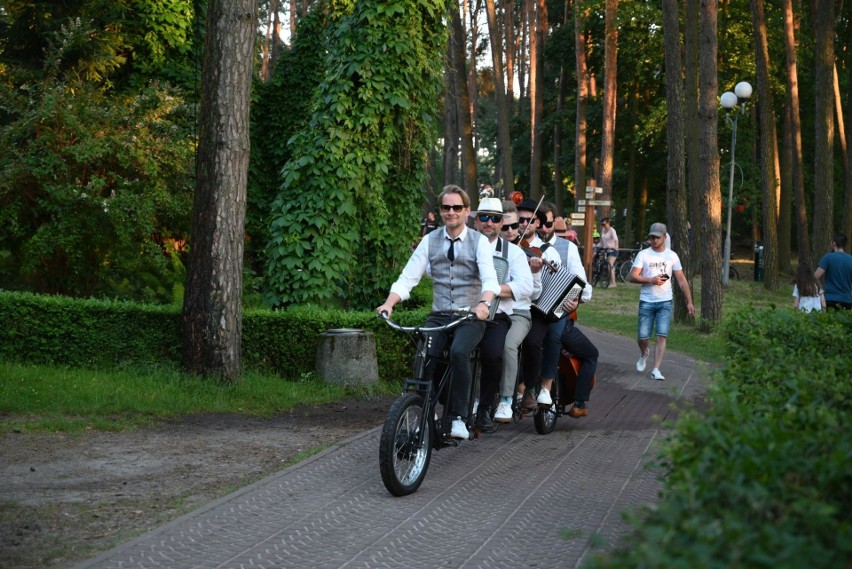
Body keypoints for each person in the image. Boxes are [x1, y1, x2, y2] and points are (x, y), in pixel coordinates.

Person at [377, 185, 500, 440]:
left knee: (458, 352)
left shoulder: (479, 242)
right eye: (446, 207)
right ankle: (425, 412)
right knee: (425, 356)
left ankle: (459, 417)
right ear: (440, 211)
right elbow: (407, 278)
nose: (451, 212)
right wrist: (389, 303)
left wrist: (483, 304)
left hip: (469, 315)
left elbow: (490, 280)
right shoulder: (429, 241)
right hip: (440, 313)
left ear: (467, 211)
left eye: (457, 207)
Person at [472, 198, 534, 431]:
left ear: (501, 223)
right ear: (476, 220)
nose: (489, 222)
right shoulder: (464, 244)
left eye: (495, 218)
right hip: (468, 312)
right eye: (484, 217)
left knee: (494, 353)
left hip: (501, 314)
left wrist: (493, 290)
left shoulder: (514, 253)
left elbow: (526, 287)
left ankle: (490, 404)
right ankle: (454, 406)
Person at [534, 202, 596, 417]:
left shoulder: (567, 247)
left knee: (590, 354)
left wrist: (575, 300)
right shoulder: (519, 244)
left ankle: (578, 402)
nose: (543, 228)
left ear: (554, 222)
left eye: (548, 223)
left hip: (559, 312)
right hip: (531, 312)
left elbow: (581, 284)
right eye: (539, 223)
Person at [629, 222, 695, 381]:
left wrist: (689, 302)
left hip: (665, 302)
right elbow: (633, 276)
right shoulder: (644, 254)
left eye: (657, 237)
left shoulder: (672, 256)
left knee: (661, 335)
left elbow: (681, 279)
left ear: (665, 238)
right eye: (651, 237)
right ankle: (644, 352)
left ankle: (656, 368)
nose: (654, 240)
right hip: (647, 301)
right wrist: (650, 280)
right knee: (642, 337)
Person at [495, 201, 539, 422]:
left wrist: (535, 271)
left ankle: (506, 400)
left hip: (519, 312)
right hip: (493, 311)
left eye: (515, 226)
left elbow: (532, 291)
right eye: (506, 227)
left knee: (508, 345)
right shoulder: (485, 248)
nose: (511, 231)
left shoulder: (523, 253)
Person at [515, 198, 562, 410]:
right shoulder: (507, 244)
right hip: (510, 305)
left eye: (530, 220)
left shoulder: (548, 252)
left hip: (537, 309)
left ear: (537, 224)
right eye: (520, 220)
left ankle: (530, 390)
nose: (524, 224)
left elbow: (559, 283)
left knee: (533, 342)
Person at [814, 233, 852, 310]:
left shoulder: (828, 258)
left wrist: (821, 288)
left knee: (831, 321)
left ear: (834, 243)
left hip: (831, 299)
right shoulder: (851, 259)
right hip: (847, 300)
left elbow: (815, 276)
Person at [599, 217, 619, 287]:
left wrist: (616, 247)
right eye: (602, 225)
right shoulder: (603, 230)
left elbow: (616, 240)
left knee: (610, 264)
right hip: (606, 250)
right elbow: (602, 239)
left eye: (604, 224)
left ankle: (613, 283)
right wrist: (600, 246)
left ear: (608, 223)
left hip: (613, 250)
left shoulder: (612, 230)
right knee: (606, 264)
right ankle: (609, 281)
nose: (603, 226)